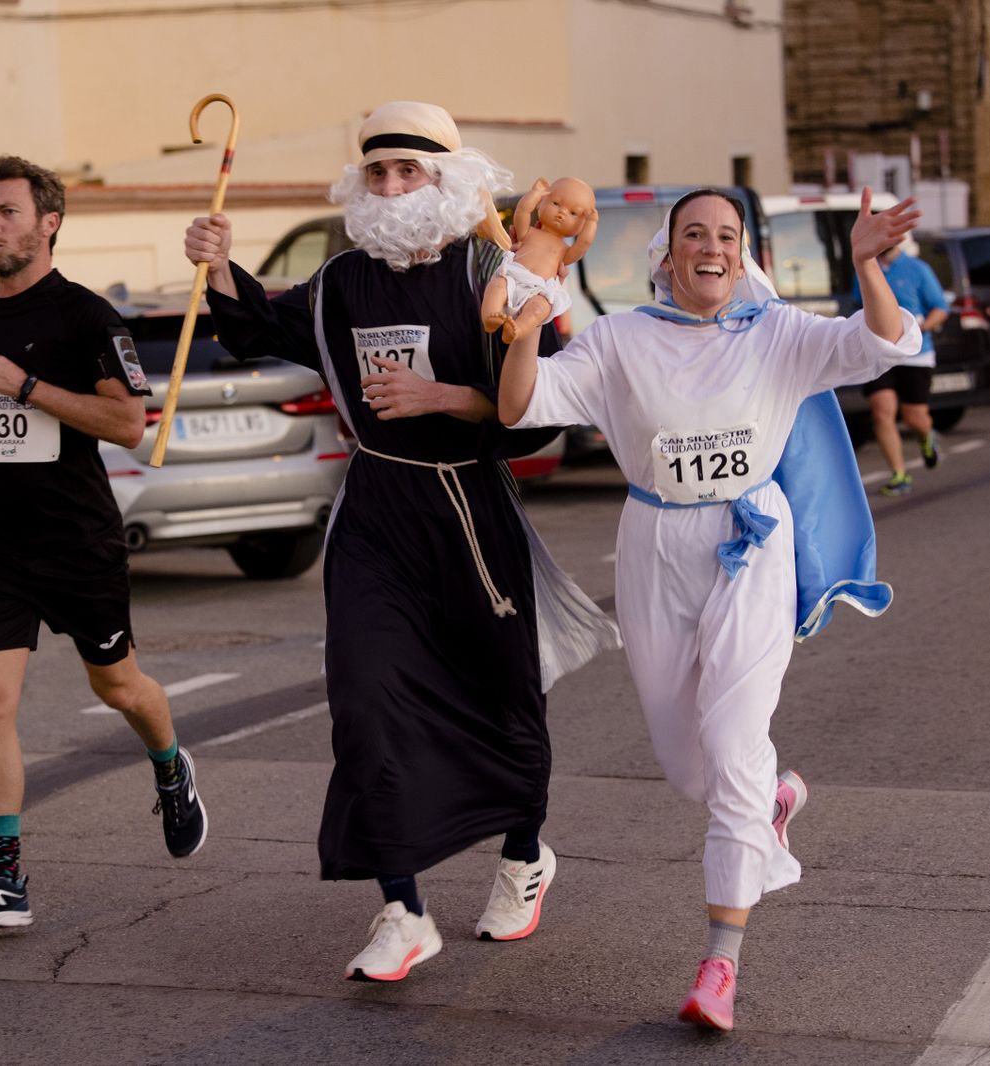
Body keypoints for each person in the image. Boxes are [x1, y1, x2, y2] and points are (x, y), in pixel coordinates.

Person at [185, 100, 618, 981]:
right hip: (377, 518)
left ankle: (525, 855)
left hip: (469, 515)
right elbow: (264, 323)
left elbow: (539, 411)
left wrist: (446, 399)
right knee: (366, 699)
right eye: (377, 172)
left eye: (407, 171)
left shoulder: (494, 268)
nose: (390, 187)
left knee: (502, 696)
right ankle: (402, 908)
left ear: (447, 180)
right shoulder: (344, 281)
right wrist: (220, 268)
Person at [498, 187, 922, 1030]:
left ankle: (719, 966)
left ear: (743, 251)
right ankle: (768, 800)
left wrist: (866, 261)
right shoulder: (621, 339)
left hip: (752, 547)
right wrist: (519, 332)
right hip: (656, 548)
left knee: (731, 749)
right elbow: (521, 406)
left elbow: (882, 342)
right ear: (666, 253)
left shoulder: (779, 333)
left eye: (727, 235)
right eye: (695, 233)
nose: (712, 248)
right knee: (691, 769)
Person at [0, 155, 206, 929]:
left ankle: (170, 764)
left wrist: (26, 386)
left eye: (7, 213)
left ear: (48, 221)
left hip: (78, 542)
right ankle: (5, 879)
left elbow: (127, 424)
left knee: (117, 686)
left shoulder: (87, 317)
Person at [852, 235, 949, 495]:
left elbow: (940, 307)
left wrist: (920, 328)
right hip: (880, 353)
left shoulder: (917, 269)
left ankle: (926, 436)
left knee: (914, 417)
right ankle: (899, 473)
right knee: (881, 410)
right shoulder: (865, 268)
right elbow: (857, 304)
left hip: (916, 354)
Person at [480, 176, 597, 343]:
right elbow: (522, 211)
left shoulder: (564, 251)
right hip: (514, 277)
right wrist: (535, 193)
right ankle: (490, 317)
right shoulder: (528, 234)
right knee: (497, 286)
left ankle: (517, 330)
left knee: (538, 309)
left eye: (573, 213)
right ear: (542, 202)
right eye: (556, 203)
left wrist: (591, 224)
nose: (562, 213)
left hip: (540, 289)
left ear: (581, 225)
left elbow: (583, 244)